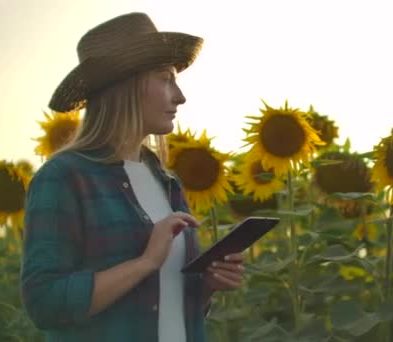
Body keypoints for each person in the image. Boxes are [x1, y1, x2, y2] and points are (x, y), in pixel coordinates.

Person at [20, 12, 244, 342]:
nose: (180, 96)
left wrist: (206, 286)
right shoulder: (64, 178)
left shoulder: (167, 183)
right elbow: (44, 303)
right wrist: (144, 263)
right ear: (128, 85)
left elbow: (167, 303)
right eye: (166, 79)